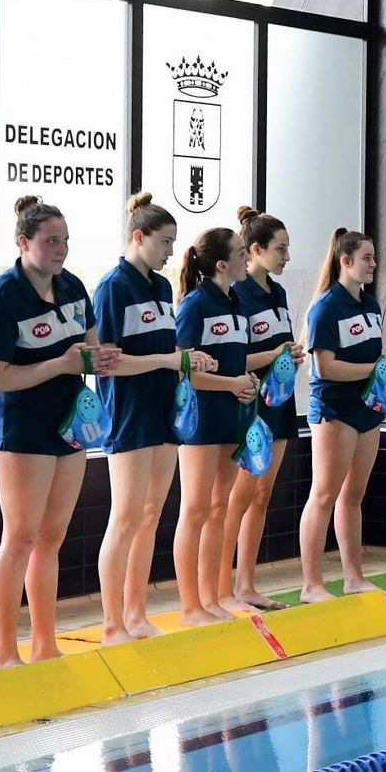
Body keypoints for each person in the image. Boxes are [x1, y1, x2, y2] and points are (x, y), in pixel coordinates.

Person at [0, 196, 118, 668]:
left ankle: (44, 642)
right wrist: (59, 363)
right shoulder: (1, 297)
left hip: (69, 426)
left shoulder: (72, 286)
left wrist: (100, 359)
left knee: (51, 538)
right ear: (23, 242)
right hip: (22, 431)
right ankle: (4, 651)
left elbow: (90, 351)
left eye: (65, 241)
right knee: (20, 536)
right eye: (51, 241)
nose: (61, 250)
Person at [93, 194, 205, 643]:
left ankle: (137, 614)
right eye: (164, 242)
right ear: (138, 237)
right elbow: (108, 362)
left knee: (150, 515)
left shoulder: (160, 288)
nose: (171, 252)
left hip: (162, 410)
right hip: (128, 412)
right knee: (124, 518)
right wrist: (166, 360)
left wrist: (185, 359)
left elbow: (162, 349)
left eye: (174, 242)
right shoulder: (112, 288)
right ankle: (111, 623)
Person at [298, 229, 386, 601]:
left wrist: (385, 364)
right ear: (345, 261)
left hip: (366, 408)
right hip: (335, 409)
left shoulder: (370, 305)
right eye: (367, 258)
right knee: (324, 494)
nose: (374, 264)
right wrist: (377, 366)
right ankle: (312, 584)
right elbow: (326, 368)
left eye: (374, 257)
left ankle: (354, 578)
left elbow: (370, 358)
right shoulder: (326, 307)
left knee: (353, 495)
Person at [173, 227, 259, 624]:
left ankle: (211, 598)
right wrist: (231, 383)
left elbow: (234, 360)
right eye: (241, 253)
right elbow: (183, 370)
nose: (247, 258)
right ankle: (190, 605)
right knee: (195, 509)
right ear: (222, 264)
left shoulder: (237, 302)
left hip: (230, 415)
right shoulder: (195, 305)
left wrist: (247, 381)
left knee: (219, 508)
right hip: (200, 419)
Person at [222, 207, 305, 611]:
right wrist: (274, 354)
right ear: (255, 249)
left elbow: (276, 349)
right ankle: (220, 587)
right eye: (280, 249)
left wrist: (290, 357)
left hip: (279, 403)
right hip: (247, 404)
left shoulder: (278, 293)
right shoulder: (237, 294)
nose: (287, 256)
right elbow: (232, 358)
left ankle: (246, 584)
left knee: (261, 495)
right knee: (237, 498)